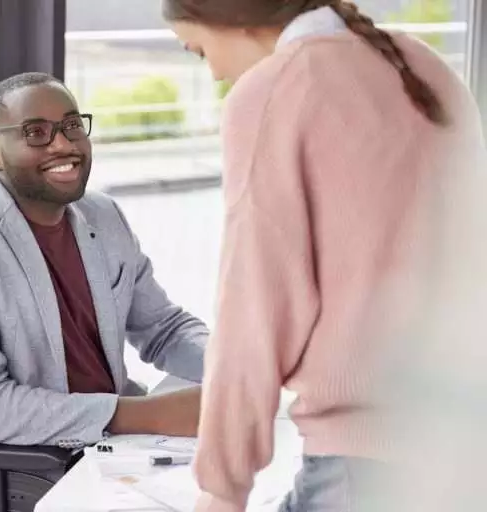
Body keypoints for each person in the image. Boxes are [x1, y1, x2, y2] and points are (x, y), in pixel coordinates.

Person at [162, 1, 486, 511]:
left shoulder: (273, 90)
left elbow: (255, 309)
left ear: (231, 15)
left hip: (366, 466)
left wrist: (220, 488)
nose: (218, 74)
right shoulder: (424, 66)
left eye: (200, 52)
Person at [0, 72, 207, 448]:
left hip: (113, 446)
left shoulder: (102, 213)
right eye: (36, 132)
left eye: (72, 126)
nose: (62, 144)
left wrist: (236, 371)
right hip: (27, 468)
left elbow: (163, 329)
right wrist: (151, 415)